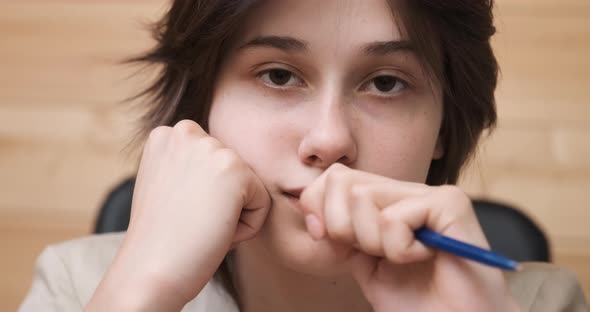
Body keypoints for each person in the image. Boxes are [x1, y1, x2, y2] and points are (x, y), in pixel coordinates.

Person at [19, 0, 588, 311]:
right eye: (278, 74)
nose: (330, 138)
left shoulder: (544, 304)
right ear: (203, 106)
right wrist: (141, 293)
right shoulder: (79, 283)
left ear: (443, 125)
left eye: (386, 84)